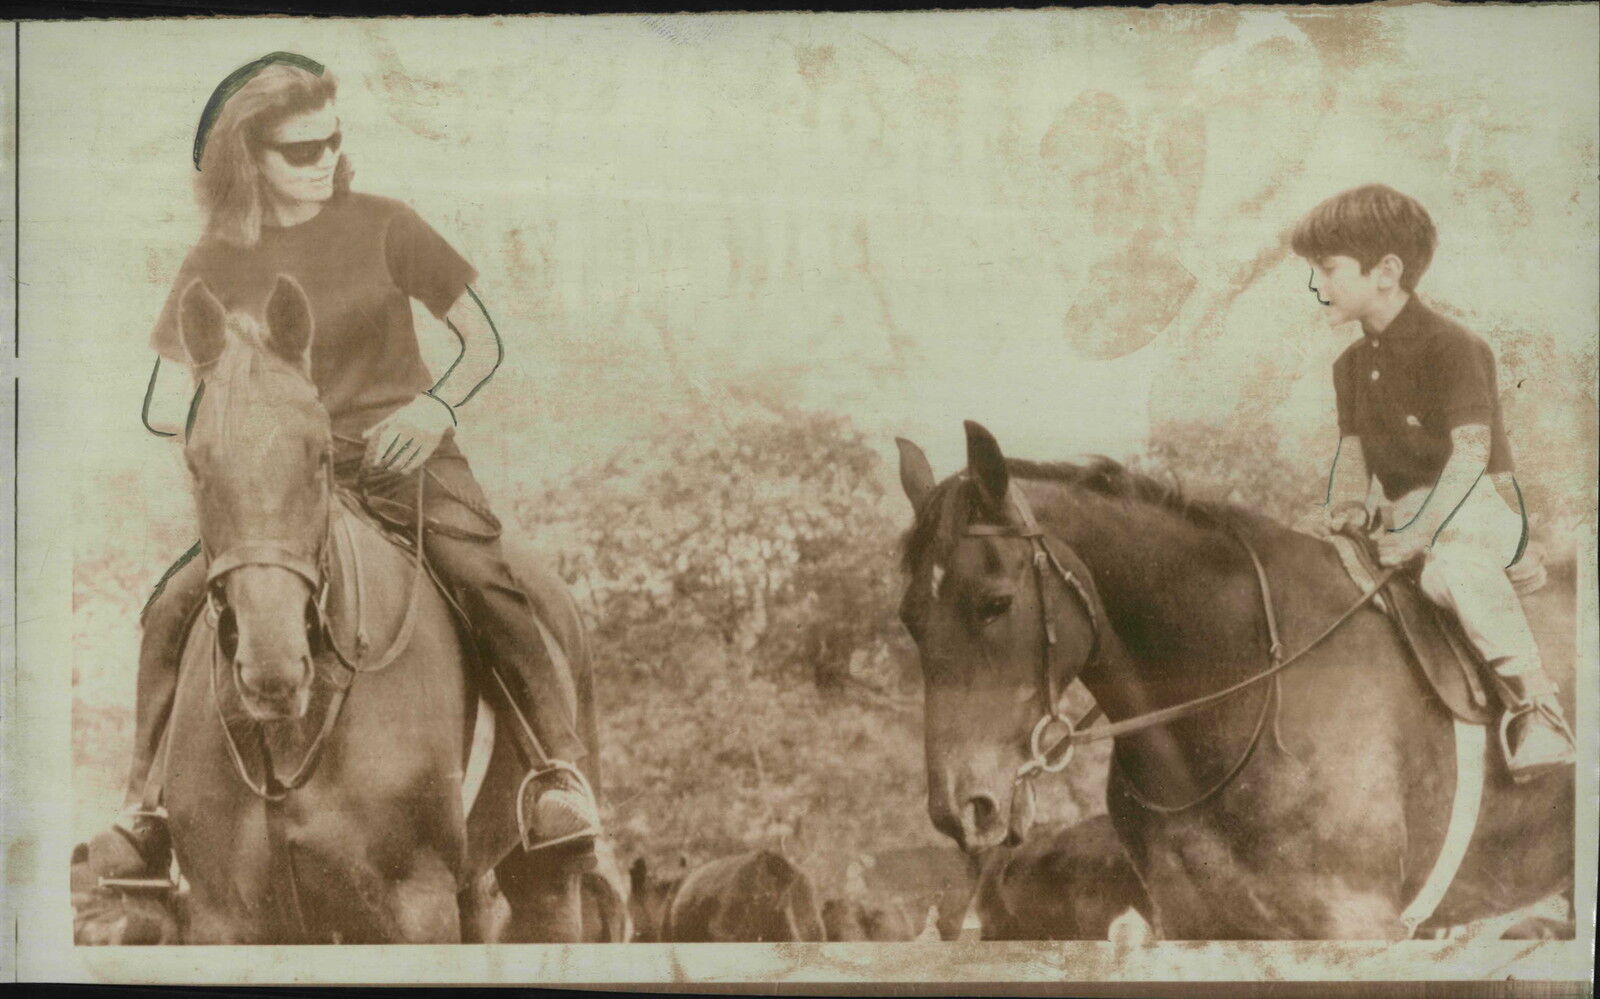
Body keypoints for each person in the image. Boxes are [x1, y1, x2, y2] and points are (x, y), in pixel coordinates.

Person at [82, 53, 601, 882]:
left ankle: (554, 772)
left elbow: (485, 341)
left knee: (488, 578)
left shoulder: (389, 224)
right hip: (279, 487)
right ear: (248, 159)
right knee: (172, 606)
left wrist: (434, 409)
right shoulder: (213, 258)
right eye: (299, 150)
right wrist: (248, 429)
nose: (323, 160)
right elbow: (156, 402)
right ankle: (144, 809)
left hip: (401, 458)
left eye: (331, 141)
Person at [1291, 183, 1575, 781]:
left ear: (1386, 271)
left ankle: (1539, 708)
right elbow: (1352, 449)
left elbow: (1471, 459)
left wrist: (1419, 534)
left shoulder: (1453, 347)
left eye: (1328, 269)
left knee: (1455, 573)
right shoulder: (1348, 365)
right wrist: (1344, 506)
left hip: (1477, 512)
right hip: (1408, 518)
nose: (1317, 286)